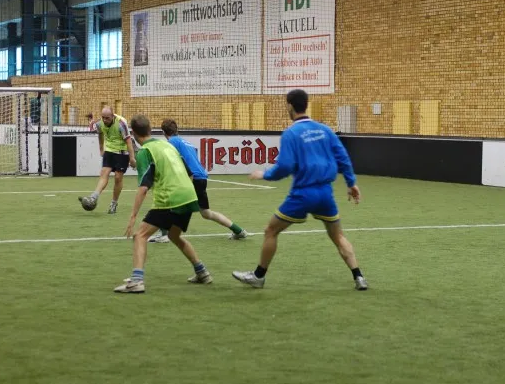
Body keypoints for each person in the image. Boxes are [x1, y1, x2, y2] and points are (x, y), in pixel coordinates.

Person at [232, 89, 368, 291]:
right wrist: (351, 183)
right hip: (325, 194)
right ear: (306, 104)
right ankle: (359, 277)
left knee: (271, 231)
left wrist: (265, 175)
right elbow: (342, 157)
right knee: (338, 236)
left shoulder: (291, 133)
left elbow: (285, 166)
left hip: (303, 195)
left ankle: (258, 276)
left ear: (289, 106)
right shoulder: (324, 130)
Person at [114, 114, 212, 294]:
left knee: (140, 235)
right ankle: (202, 272)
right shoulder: (167, 145)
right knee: (175, 235)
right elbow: (189, 173)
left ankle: (136, 281)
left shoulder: (145, 152)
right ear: (150, 130)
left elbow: (143, 187)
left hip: (170, 198)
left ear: (133, 133)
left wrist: (133, 216)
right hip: (189, 196)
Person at [147, 119, 248, 243]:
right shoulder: (185, 142)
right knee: (206, 213)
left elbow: (174, 160)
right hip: (201, 177)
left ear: (163, 132)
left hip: (192, 177)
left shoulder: (171, 143)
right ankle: (238, 231)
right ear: (177, 130)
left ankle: (164, 234)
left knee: (165, 200)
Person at [78, 106, 137, 214]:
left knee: (118, 178)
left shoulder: (121, 123)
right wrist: (101, 148)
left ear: (112, 116)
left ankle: (114, 203)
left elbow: (128, 141)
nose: (105, 120)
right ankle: (94, 197)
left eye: (107, 118)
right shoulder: (100, 123)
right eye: (103, 117)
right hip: (109, 150)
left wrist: (132, 158)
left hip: (122, 151)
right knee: (104, 172)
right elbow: (100, 133)